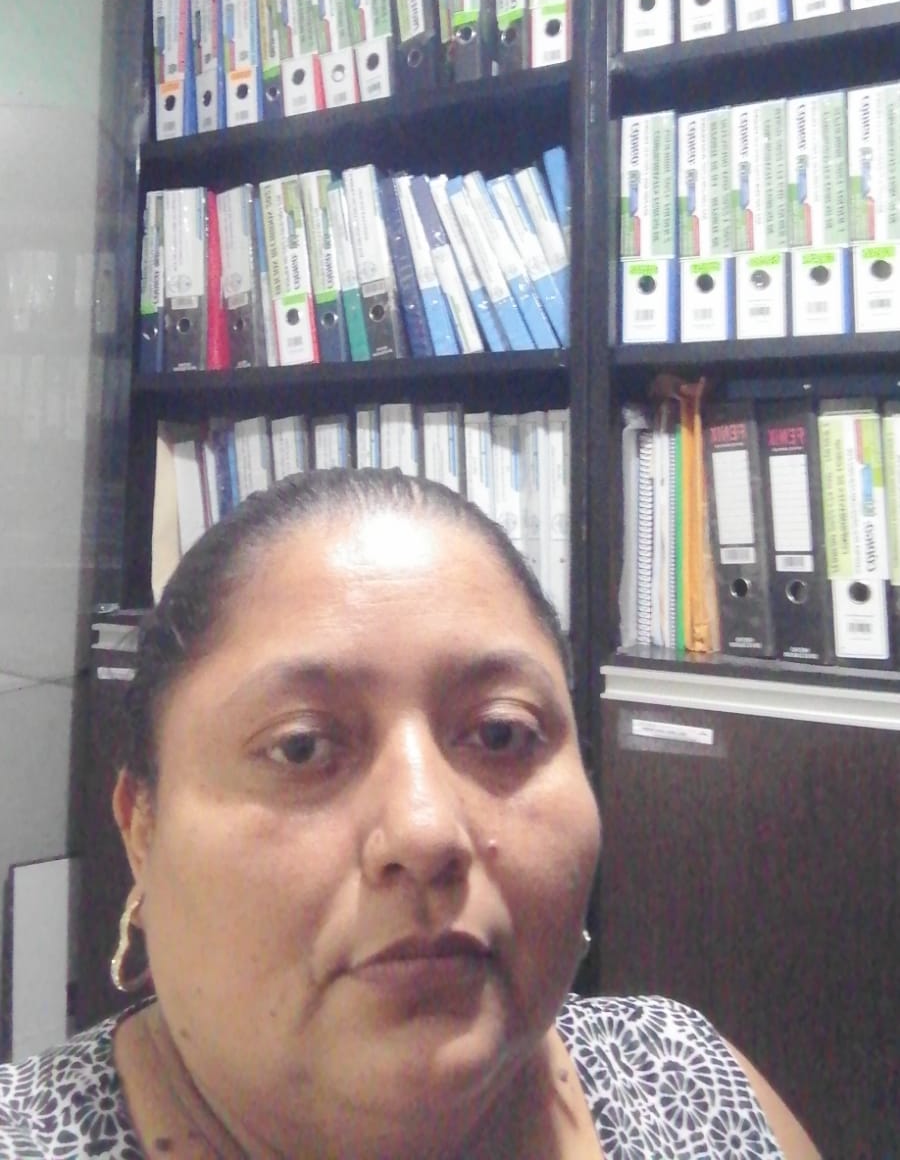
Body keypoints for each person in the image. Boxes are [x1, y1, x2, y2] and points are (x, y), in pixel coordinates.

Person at [0, 468, 820, 1159]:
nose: (427, 831)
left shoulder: (686, 1080)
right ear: (142, 829)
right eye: (301, 748)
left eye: (501, 733)